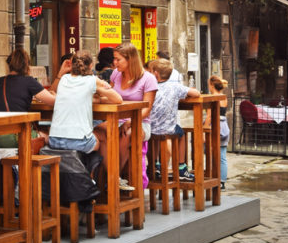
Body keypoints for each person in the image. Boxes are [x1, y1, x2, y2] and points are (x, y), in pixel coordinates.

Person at [48, 50, 123, 167]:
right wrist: (99, 92)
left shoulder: (63, 79)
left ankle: (83, 173)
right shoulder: (92, 80)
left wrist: (61, 72)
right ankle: (104, 178)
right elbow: (118, 99)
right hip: (79, 142)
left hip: (54, 140)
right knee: (103, 136)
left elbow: (53, 92)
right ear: (91, 65)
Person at [110, 43, 158, 186]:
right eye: (114, 59)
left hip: (140, 123)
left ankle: (115, 175)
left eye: (118, 59)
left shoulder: (148, 79)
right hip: (116, 119)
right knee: (99, 132)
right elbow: (110, 97)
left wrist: (130, 121)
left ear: (130, 59)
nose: (114, 63)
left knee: (127, 134)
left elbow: (147, 109)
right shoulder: (115, 74)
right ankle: (102, 176)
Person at [0, 48, 57, 147]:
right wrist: (55, 95)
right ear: (27, 66)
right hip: (16, 137)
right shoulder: (29, 81)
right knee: (50, 138)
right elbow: (53, 102)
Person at [148, 58, 200, 181]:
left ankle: (155, 165)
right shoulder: (175, 86)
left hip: (150, 128)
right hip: (168, 129)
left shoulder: (150, 87)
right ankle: (181, 167)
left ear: (155, 73)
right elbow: (196, 93)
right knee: (181, 134)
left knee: (154, 139)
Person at [208, 75, 230, 188]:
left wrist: (204, 129)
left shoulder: (212, 98)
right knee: (222, 156)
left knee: (211, 155)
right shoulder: (224, 97)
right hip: (224, 126)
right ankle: (222, 182)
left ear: (212, 85)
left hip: (215, 126)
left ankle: (212, 179)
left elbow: (209, 117)